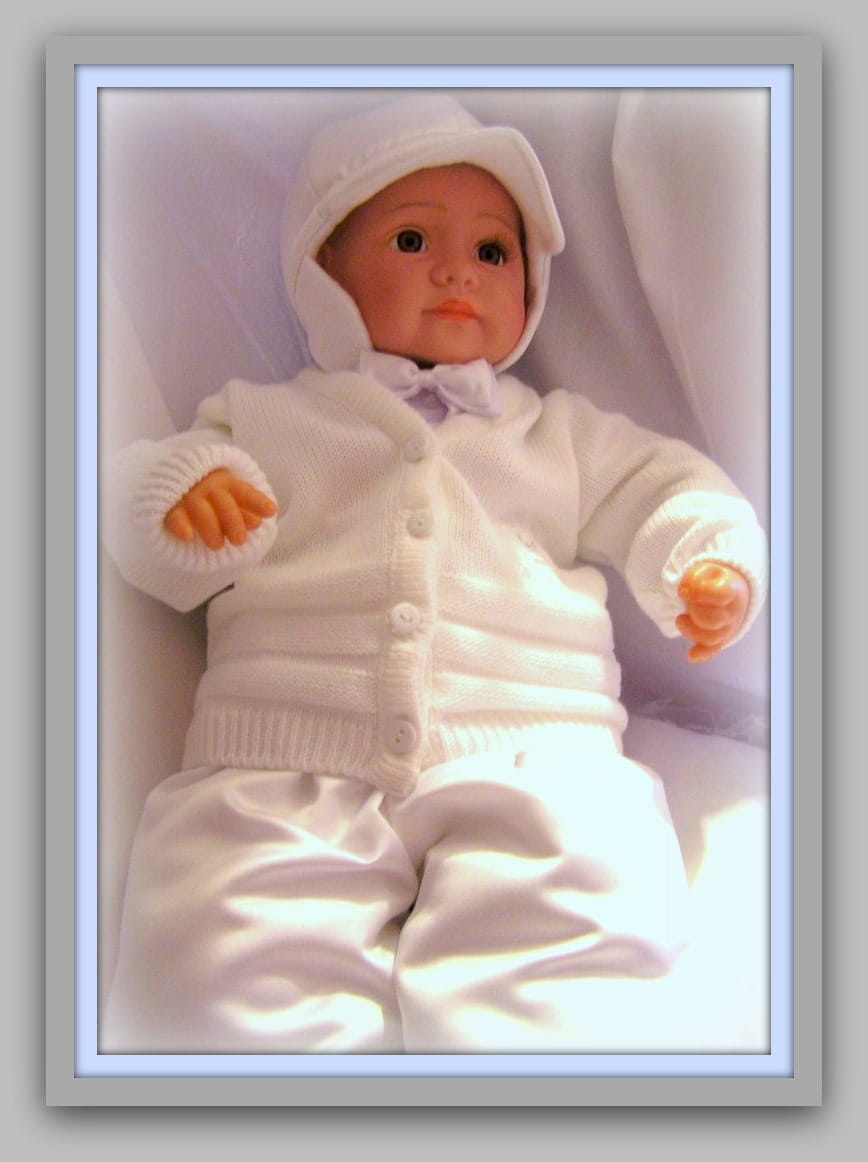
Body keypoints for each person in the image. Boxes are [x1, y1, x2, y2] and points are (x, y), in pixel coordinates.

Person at [102, 94, 767, 1054]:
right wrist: (181, 502)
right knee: (212, 988)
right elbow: (133, 509)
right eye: (413, 239)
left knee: (568, 986)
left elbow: (666, 485)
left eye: (494, 252)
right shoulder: (261, 417)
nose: (459, 271)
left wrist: (705, 558)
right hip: (280, 763)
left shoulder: (561, 434)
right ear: (324, 269)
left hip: (539, 759)